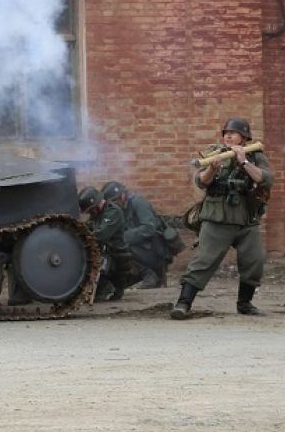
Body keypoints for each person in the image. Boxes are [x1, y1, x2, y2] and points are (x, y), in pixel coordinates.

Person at [171, 118, 274, 320]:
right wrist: (212, 169)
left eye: (233, 133)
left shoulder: (255, 155)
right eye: (226, 132)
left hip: (246, 218)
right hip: (218, 217)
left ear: (244, 137)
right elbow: (201, 181)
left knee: (255, 260)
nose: (228, 135)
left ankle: (244, 303)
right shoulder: (215, 152)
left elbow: (266, 179)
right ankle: (183, 303)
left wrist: (244, 161)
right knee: (204, 261)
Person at [101, 181, 169, 289]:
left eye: (115, 200)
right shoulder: (118, 209)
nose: (114, 203)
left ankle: (148, 274)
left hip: (154, 251)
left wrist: (124, 237)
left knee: (120, 245)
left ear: (122, 194)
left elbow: (149, 228)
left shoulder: (138, 203)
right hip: (140, 250)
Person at [78, 185, 137, 302]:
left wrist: (82, 237)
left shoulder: (113, 212)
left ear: (96, 205)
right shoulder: (98, 214)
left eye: (90, 210)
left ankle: (106, 285)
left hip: (116, 254)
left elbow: (101, 234)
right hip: (107, 252)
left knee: (100, 259)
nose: (90, 213)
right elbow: (89, 227)